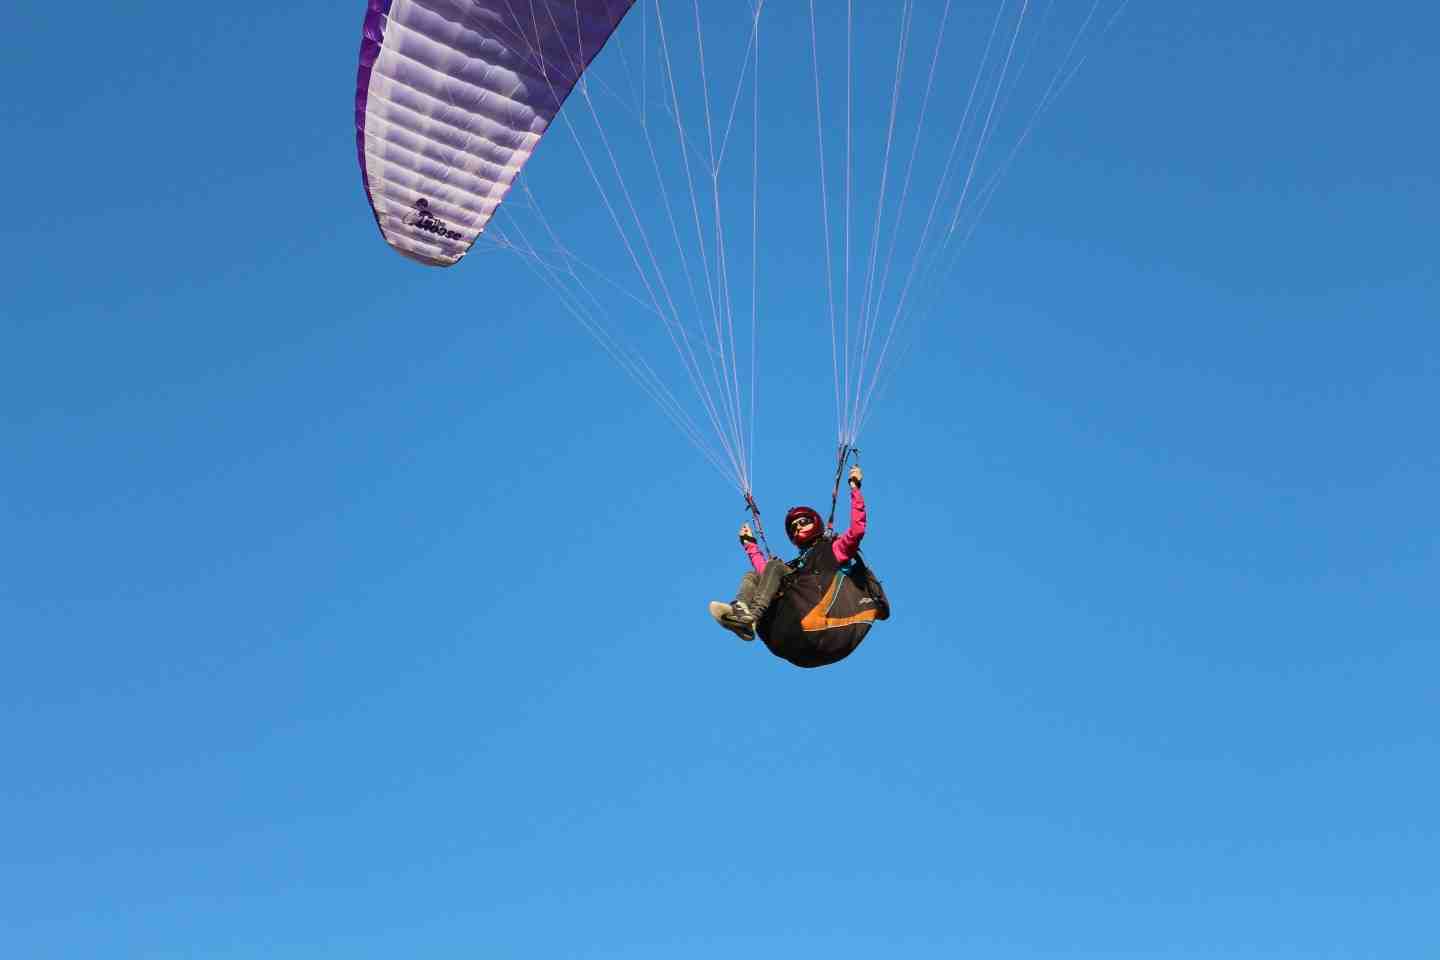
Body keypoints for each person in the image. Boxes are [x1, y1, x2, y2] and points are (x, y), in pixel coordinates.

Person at [709, 465, 888, 668]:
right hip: (793, 637)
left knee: (774, 567)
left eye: (803, 522)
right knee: (755, 575)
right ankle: (742, 611)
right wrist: (749, 544)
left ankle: (750, 617)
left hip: (820, 625)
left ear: (816, 522)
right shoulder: (797, 567)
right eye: (794, 527)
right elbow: (766, 573)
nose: (798, 527)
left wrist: (855, 488)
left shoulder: (835, 549)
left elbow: (857, 531)